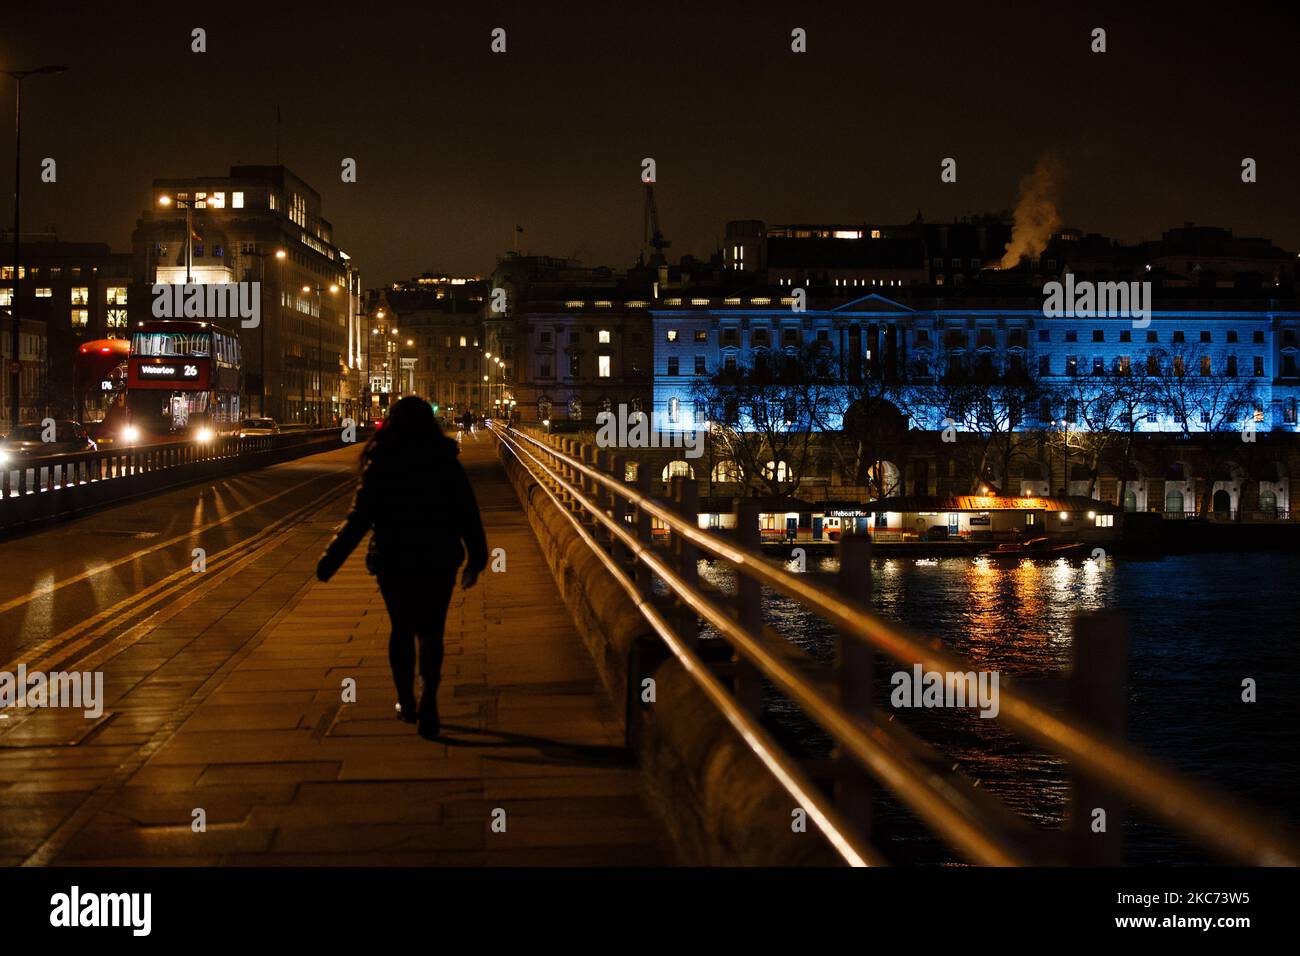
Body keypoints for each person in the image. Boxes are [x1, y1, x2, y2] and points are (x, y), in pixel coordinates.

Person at [315, 396, 488, 739]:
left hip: (394, 558)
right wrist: (477, 557)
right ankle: (430, 703)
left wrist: (331, 560)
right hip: (438, 557)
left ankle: (407, 701)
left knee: (402, 629)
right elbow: (467, 512)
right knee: (432, 631)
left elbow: (359, 518)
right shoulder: (445, 461)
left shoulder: (382, 463)